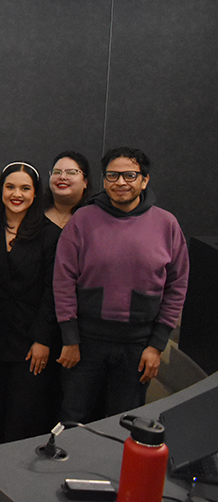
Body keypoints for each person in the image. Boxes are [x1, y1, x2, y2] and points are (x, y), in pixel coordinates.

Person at [54, 147, 189, 423]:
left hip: (139, 346)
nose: (121, 182)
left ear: (144, 180)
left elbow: (177, 285)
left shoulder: (167, 224)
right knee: (74, 418)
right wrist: (69, 338)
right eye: (113, 175)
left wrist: (157, 345)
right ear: (104, 180)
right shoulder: (82, 220)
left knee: (126, 423)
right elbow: (63, 279)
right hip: (86, 342)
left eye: (129, 175)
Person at [0, 163, 62, 445]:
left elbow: (52, 292)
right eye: (10, 187)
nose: (16, 194)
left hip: (31, 341)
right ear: (1, 190)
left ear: (36, 194)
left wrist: (42, 339)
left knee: (23, 414)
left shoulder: (51, 234)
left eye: (25, 188)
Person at [43, 151, 92, 229]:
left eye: (71, 172)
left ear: (85, 182)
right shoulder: (34, 212)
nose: (62, 177)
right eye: (56, 172)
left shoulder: (95, 217)